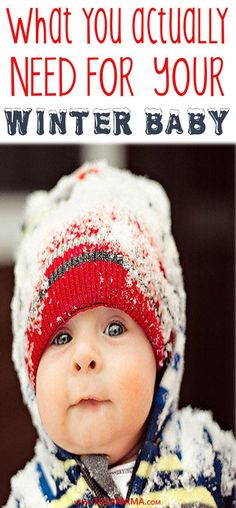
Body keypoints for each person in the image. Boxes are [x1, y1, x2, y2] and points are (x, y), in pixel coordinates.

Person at [5, 161, 235, 507]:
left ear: (162, 358)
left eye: (114, 328)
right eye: (61, 337)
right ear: (31, 378)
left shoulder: (209, 462)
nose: (84, 357)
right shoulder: (34, 498)